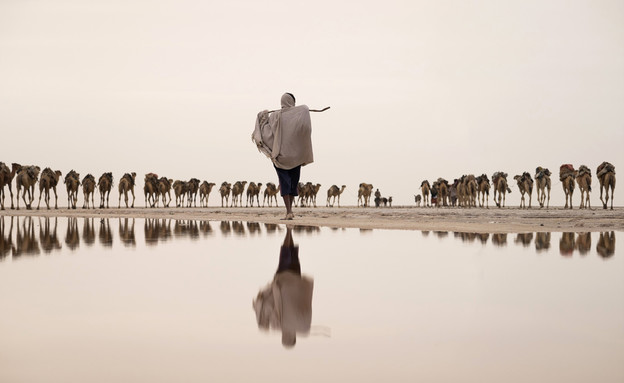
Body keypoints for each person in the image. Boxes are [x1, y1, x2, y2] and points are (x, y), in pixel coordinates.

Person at [253, 93, 324, 220]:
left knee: (285, 183)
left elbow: (266, 131)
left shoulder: (275, 116)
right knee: (293, 183)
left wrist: (262, 115)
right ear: (292, 102)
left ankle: (289, 211)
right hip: (295, 157)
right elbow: (305, 121)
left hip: (281, 157)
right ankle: (290, 210)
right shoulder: (300, 112)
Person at [252, 227, 314, 348]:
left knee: (293, 256)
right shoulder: (277, 325)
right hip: (283, 282)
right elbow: (271, 306)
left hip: (297, 282)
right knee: (286, 252)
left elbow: (307, 305)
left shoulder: (304, 326)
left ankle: (290, 232)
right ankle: (289, 231)